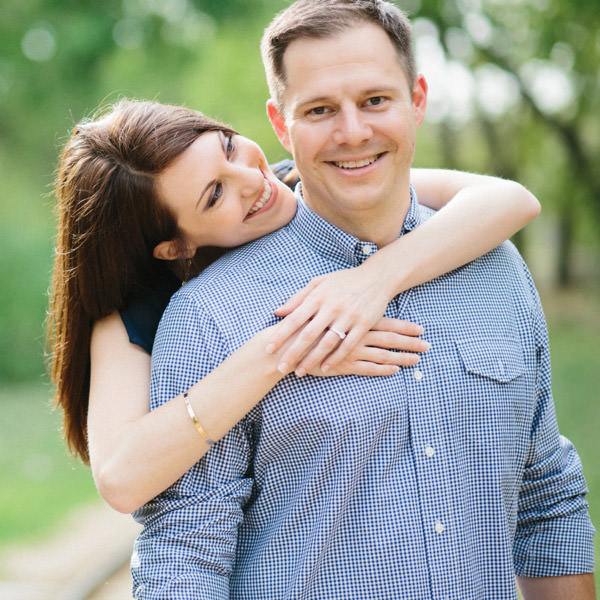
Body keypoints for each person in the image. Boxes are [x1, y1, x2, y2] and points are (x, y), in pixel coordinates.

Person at [132, 1, 595, 599]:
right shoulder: (211, 314)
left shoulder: (498, 269)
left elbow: (546, 495)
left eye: (375, 100)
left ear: (418, 99)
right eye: (320, 109)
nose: (352, 132)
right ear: (280, 124)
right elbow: (186, 549)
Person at [48, 99, 540, 516]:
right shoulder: (136, 312)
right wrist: (288, 349)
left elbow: (508, 200)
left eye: (228, 147)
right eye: (216, 194)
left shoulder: (305, 185)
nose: (251, 179)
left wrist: (369, 284)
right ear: (175, 247)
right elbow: (119, 477)